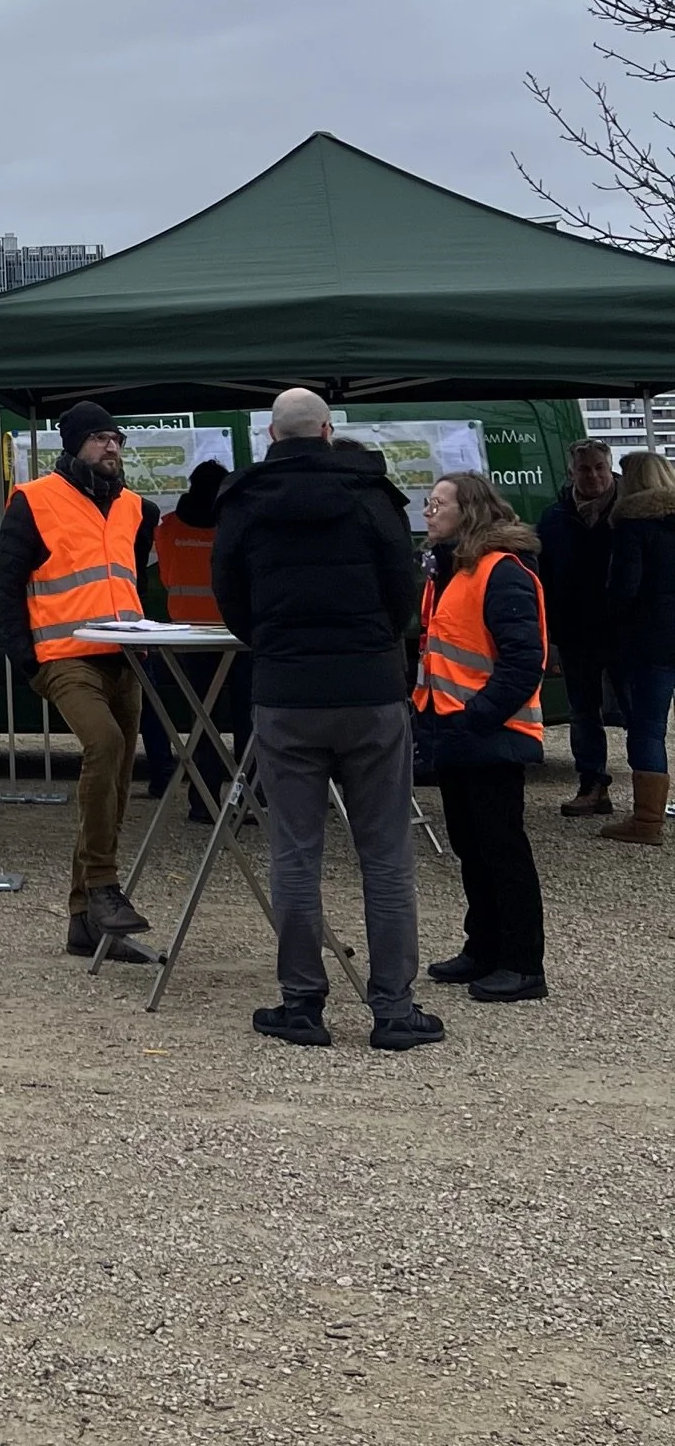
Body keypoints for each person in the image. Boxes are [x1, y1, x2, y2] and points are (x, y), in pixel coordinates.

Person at [210, 390, 435, 1050]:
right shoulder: (374, 496)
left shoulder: (245, 502)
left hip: (286, 692)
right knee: (387, 856)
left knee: (295, 854)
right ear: (330, 431)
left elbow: (232, 599)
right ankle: (393, 1007)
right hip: (369, 689)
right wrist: (374, 647)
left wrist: (273, 645)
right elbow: (404, 596)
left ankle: (302, 1001)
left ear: (272, 436)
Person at [0, 401, 159, 956]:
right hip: (65, 655)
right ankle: (104, 884)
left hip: (126, 656)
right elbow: (6, 585)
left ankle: (84, 920)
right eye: (98, 439)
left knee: (114, 779)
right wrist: (27, 659)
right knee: (105, 746)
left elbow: (132, 578)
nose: (111, 447)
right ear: (72, 445)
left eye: (116, 437)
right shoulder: (34, 501)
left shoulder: (139, 508)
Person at [416, 470, 548, 1005]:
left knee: (502, 848)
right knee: (472, 846)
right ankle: (484, 947)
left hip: (489, 732)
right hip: (456, 729)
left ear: (467, 512)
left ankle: (521, 963)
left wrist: (478, 715)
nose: (428, 511)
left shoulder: (502, 572)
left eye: (438, 503)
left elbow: (524, 659)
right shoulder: (447, 572)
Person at [153, 456, 247, 821]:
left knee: (202, 722)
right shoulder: (234, 525)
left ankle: (203, 801)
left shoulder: (169, 527)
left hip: (189, 636)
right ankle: (250, 798)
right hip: (236, 634)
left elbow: (164, 577)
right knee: (248, 719)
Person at [538, 438, 621, 817]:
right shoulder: (555, 517)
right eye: (584, 469)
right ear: (571, 473)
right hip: (576, 633)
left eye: (599, 467)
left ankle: (648, 796)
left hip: (626, 632)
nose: (593, 476)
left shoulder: (632, 513)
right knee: (584, 712)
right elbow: (546, 577)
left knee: (639, 716)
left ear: (610, 467)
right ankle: (592, 786)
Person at [602, 447, 675, 847]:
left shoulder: (633, 525)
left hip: (651, 642)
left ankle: (647, 821)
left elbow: (624, 590)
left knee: (648, 729)